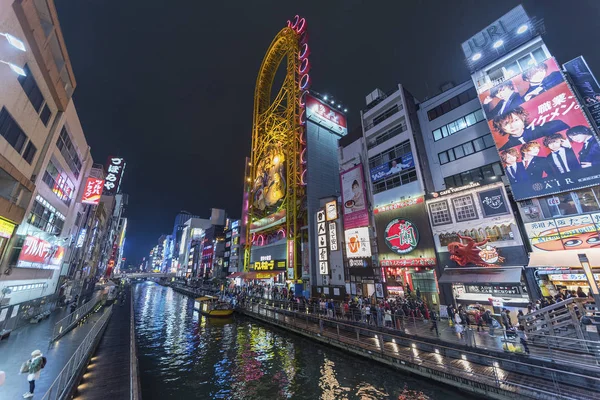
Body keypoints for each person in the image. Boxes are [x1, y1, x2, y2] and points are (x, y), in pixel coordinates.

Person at [493, 107, 569, 151]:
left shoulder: (551, 127)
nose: (512, 126)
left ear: (522, 119)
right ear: (501, 128)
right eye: (506, 124)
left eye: (515, 120)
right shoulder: (506, 148)